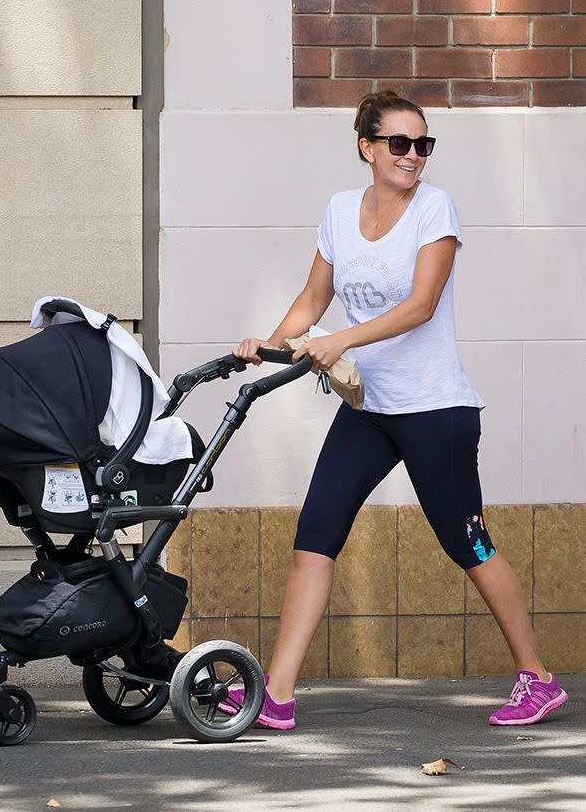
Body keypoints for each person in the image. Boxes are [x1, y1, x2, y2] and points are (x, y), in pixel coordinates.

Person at [227, 91, 568, 729]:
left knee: (468, 543)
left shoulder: (434, 209)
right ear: (368, 147)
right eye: (400, 144)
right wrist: (268, 345)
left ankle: (538, 679)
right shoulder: (338, 211)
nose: (414, 157)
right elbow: (313, 296)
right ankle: (275, 696)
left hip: (435, 409)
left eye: (423, 145)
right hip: (369, 410)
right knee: (314, 541)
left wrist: (338, 341)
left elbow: (421, 305)